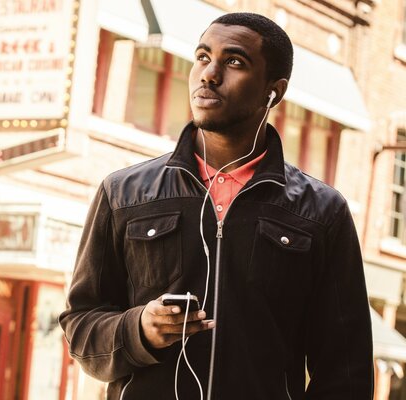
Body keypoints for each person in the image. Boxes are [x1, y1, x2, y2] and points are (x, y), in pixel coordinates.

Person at [59, 12, 373, 399]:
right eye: (203, 57)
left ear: (273, 91)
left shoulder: (321, 213)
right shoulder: (124, 194)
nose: (209, 74)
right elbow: (81, 329)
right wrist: (138, 329)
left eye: (234, 62)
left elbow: (345, 372)